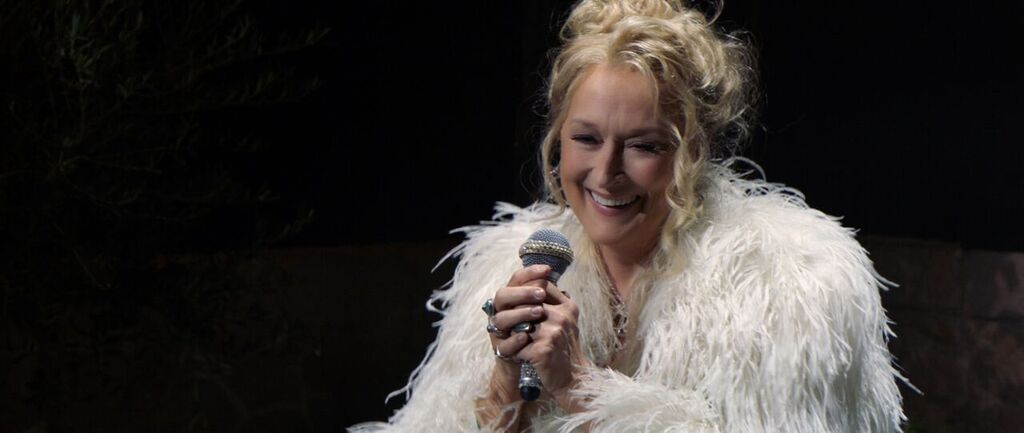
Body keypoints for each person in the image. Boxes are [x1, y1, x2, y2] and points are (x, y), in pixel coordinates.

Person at [351, 0, 907, 431]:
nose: (605, 172)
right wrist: (506, 379)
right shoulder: (505, 266)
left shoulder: (788, 281)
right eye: (586, 139)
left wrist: (579, 386)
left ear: (696, 150)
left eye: (643, 146)